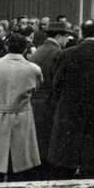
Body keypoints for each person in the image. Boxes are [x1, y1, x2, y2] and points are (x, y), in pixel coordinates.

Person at [48, 18, 94, 179]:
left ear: (81, 32)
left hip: (69, 117)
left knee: (64, 169)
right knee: (93, 169)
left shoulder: (65, 55)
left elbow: (57, 85)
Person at [0, 33, 45, 182]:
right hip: (23, 116)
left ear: (6, 47)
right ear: (26, 49)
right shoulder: (33, 69)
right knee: (21, 163)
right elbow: (36, 88)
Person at [29, 21, 74, 177]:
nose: (68, 40)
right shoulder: (58, 53)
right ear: (59, 35)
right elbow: (59, 82)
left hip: (36, 102)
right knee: (50, 144)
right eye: (67, 35)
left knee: (40, 143)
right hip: (51, 104)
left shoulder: (38, 51)